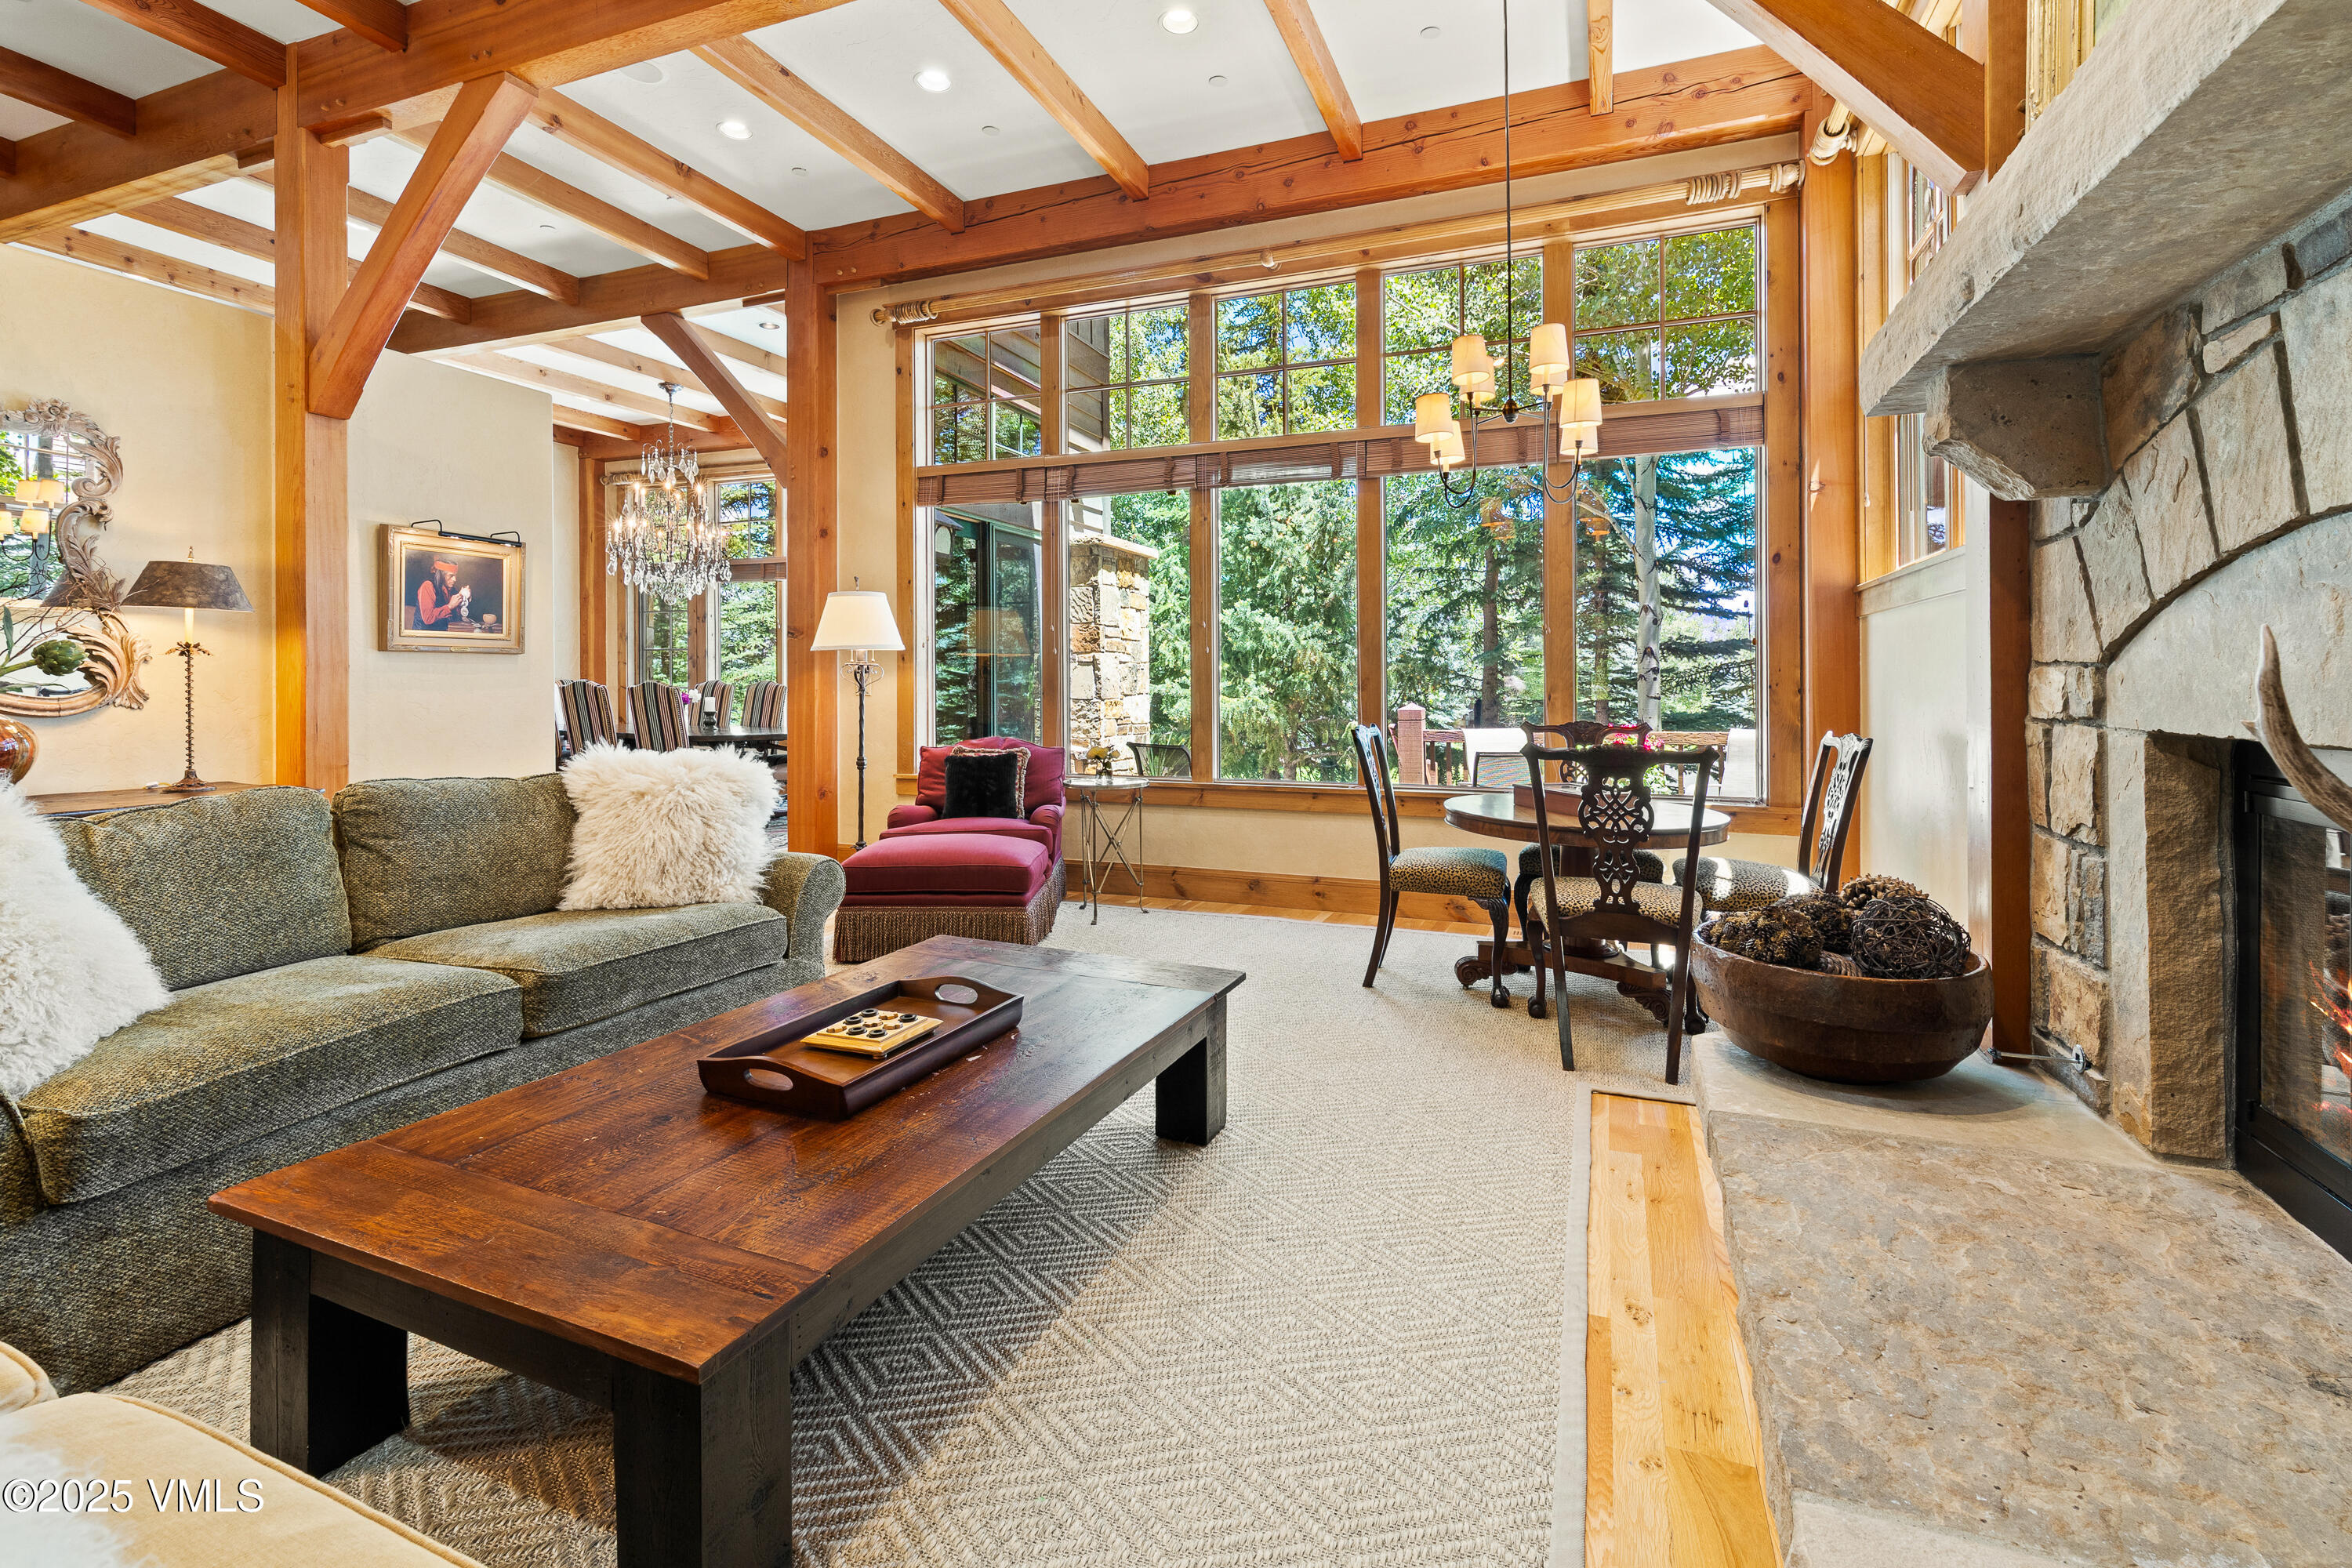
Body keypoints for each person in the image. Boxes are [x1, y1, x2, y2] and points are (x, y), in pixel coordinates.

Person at [416, 559, 471, 629]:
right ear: (441, 575)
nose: (455, 579)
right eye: (451, 576)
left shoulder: (451, 589)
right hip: (425, 635)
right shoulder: (428, 586)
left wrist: (462, 599)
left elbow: (455, 616)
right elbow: (428, 618)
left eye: (455, 576)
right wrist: (450, 606)